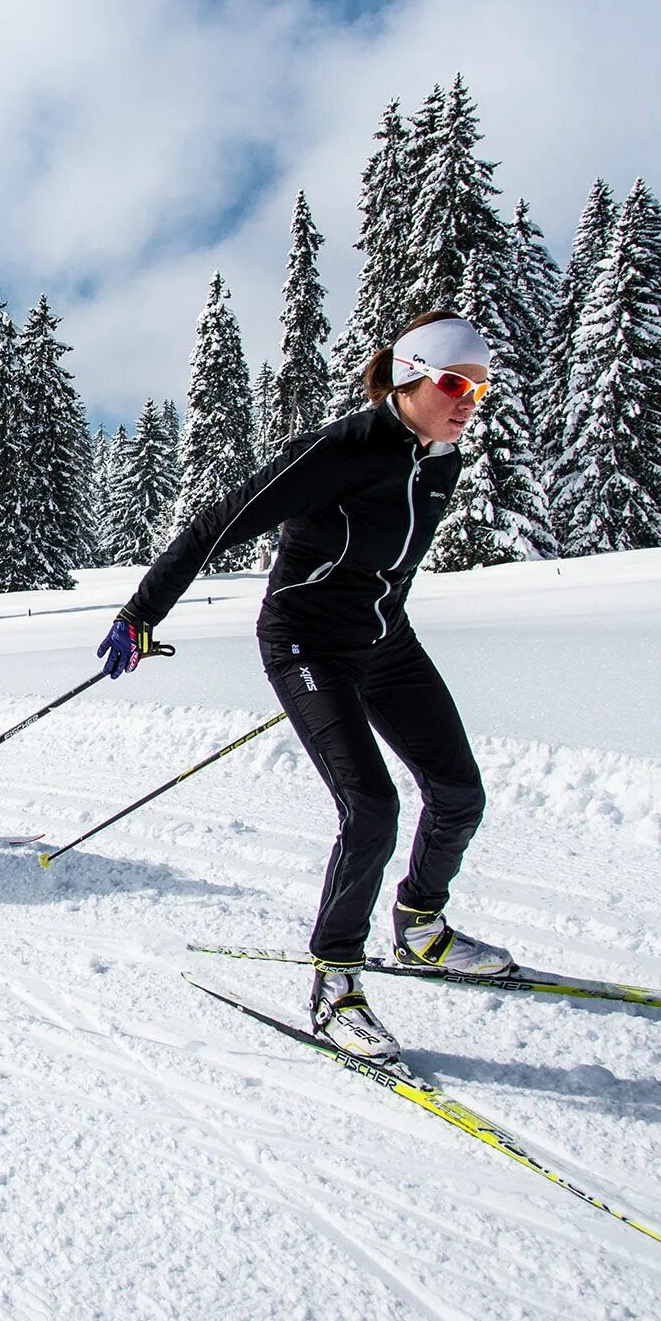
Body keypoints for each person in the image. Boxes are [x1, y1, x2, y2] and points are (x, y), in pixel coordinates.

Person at [97, 310, 511, 1061]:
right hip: (305, 643)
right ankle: (336, 982)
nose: (467, 401)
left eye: (479, 388)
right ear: (411, 375)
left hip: (386, 641)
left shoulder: (440, 456)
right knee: (373, 808)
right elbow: (217, 523)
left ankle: (420, 926)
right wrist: (140, 612)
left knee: (458, 791)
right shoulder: (339, 450)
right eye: (454, 382)